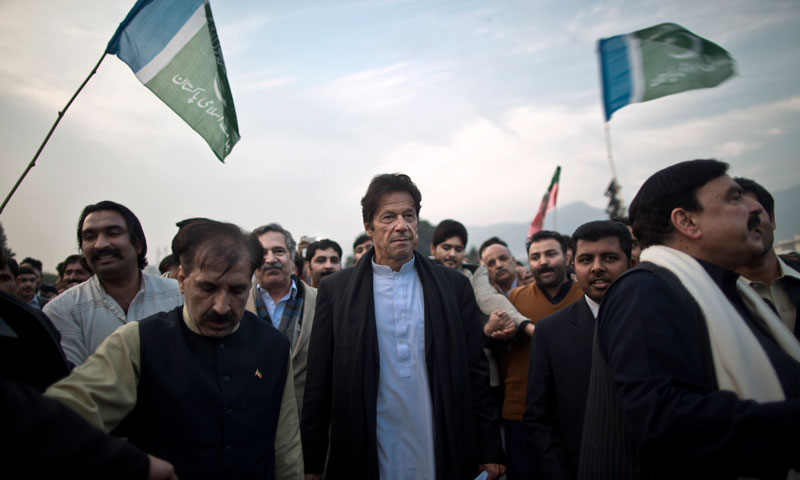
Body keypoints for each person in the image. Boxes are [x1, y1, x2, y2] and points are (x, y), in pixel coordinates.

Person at [578, 159, 800, 479]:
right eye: (734, 198)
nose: (753, 208)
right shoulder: (645, 289)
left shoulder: (723, 289)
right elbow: (667, 422)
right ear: (686, 222)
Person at [46, 219, 303, 479]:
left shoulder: (274, 346)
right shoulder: (136, 341)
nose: (221, 307)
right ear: (182, 280)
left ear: (250, 284)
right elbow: (60, 421)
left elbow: (287, 445)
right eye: (208, 288)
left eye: (236, 290)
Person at [302, 173, 505, 480]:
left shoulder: (453, 287)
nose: (401, 225)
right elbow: (320, 380)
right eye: (388, 217)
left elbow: (476, 372)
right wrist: (313, 463)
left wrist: (490, 449)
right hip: (368, 442)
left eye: (408, 215)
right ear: (369, 227)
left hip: (437, 439)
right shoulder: (337, 291)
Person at [524, 221, 633, 479]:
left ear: (630, 261)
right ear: (574, 267)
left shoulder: (657, 318)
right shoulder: (551, 332)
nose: (597, 268)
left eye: (609, 257)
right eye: (586, 259)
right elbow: (537, 419)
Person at [43, 201, 183, 367]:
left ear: (138, 244)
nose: (100, 244)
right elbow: (73, 380)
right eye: (89, 237)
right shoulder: (62, 310)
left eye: (113, 233)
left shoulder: (180, 295)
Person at [501, 231, 584, 479]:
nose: (543, 262)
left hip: (576, 414)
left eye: (550, 254)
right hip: (520, 412)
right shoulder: (515, 299)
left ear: (567, 257)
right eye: (535, 257)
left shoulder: (585, 294)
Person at [245, 223, 317, 416]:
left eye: (278, 251)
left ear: (292, 256)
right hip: (253, 418)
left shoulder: (322, 301)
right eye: (262, 253)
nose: (271, 259)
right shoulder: (238, 305)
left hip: (309, 419)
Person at [734, 177, 800, 340]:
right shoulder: (718, 300)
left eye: (753, 214)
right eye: (736, 218)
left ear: (772, 219)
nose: (748, 225)